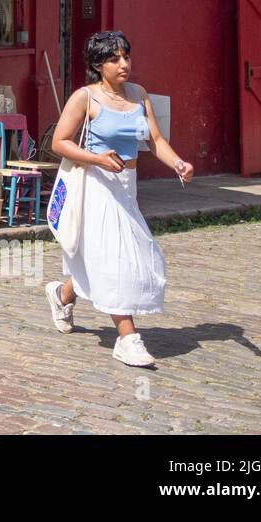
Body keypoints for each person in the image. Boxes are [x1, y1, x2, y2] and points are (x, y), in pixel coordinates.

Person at [44, 30, 193, 367]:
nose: (124, 64)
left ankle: (61, 294)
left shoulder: (139, 95)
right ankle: (127, 338)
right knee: (114, 259)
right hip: (97, 184)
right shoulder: (85, 98)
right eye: (114, 59)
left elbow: (154, 140)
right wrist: (96, 158)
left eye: (126, 56)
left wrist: (178, 163)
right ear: (99, 65)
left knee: (112, 257)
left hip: (127, 186)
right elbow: (59, 142)